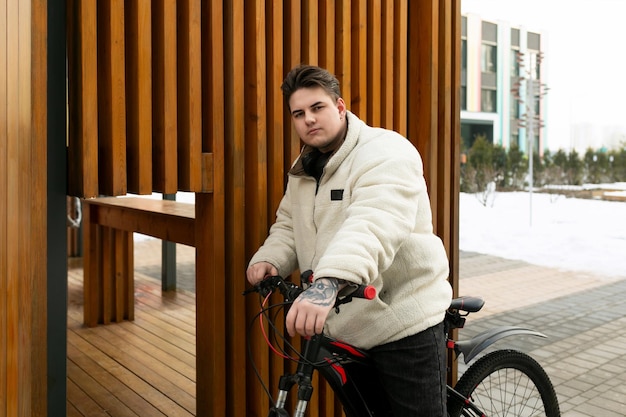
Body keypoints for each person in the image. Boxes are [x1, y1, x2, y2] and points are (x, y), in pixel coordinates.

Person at [246, 64, 452, 416]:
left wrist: (326, 283)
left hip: (402, 320)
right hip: (350, 327)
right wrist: (271, 259)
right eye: (299, 113)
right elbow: (289, 223)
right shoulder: (305, 168)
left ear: (340, 107)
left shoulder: (385, 151)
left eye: (318, 108)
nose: (309, 119)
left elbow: (374, 222)